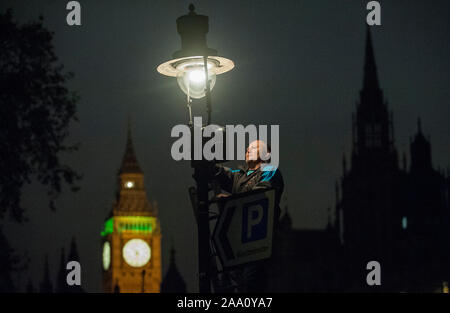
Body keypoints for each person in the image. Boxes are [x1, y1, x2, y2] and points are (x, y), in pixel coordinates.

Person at [212, 140, 284, 292]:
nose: (247, 149)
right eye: (247, 147)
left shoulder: (270, 171)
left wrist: (231, 201)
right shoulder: (240, 176)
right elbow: (223, 174)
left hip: (258, 244)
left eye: (254, 147)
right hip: (238, 244)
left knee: (251, 285)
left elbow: (262, 192)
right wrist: (207, 163)